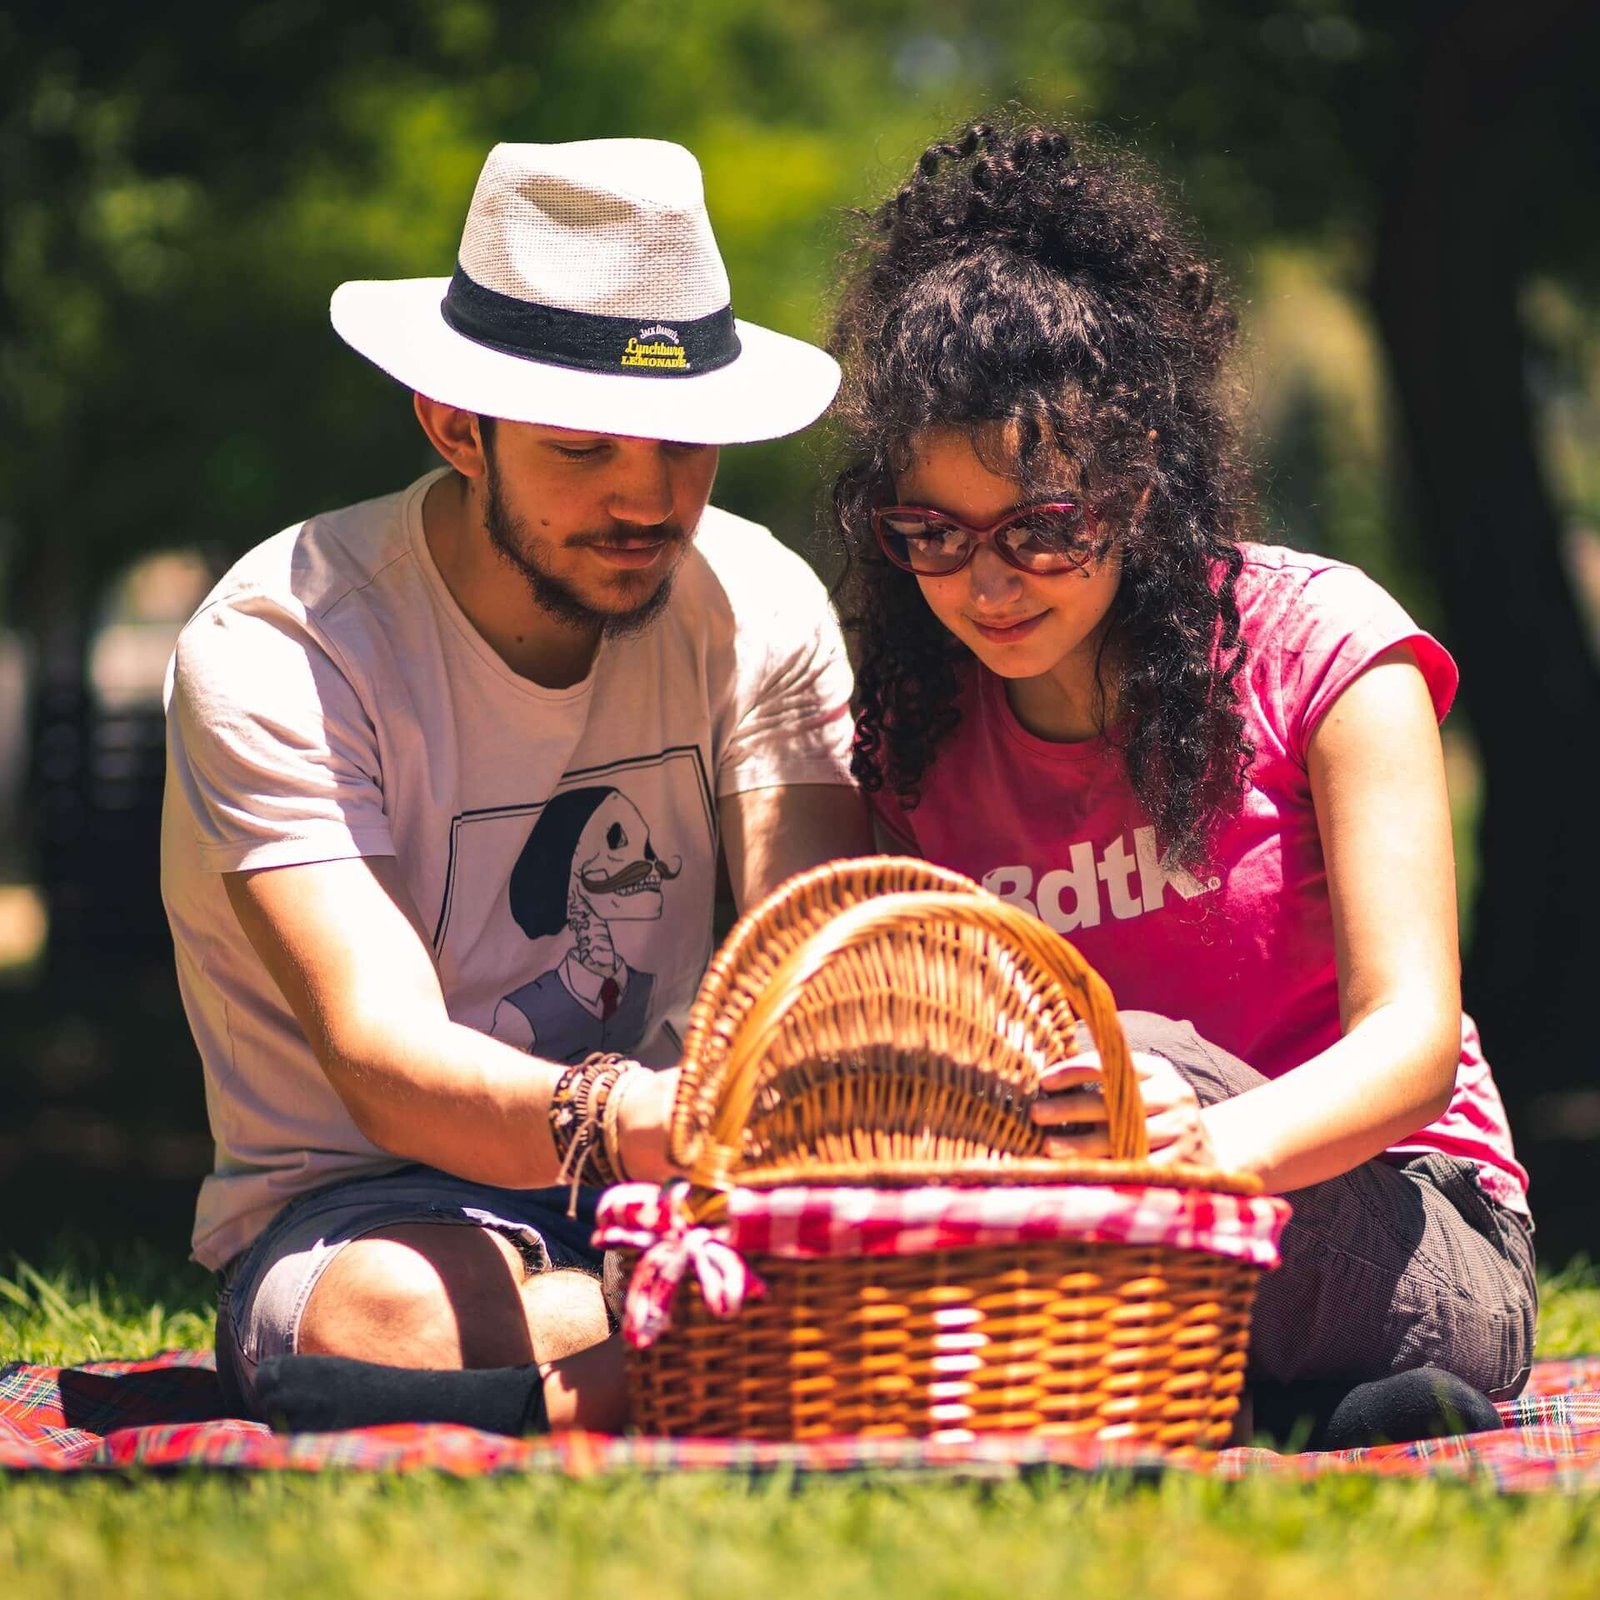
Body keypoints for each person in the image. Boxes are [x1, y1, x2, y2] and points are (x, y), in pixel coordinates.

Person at [829, 118, 1534, 1440]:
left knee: (1134, 1061)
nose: (984, 585)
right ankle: (1302, 1416)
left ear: (1137, 486)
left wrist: (1197, 1148)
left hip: (1385, 1221)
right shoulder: (910, 734)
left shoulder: (1325, 648)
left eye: (1041, 529)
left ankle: (1294, 1392)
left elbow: (1412, 1050)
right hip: (1080, 1229)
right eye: (931, 534)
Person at [162, 137, 867, 1433]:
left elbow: (812, 965)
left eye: (684, 444)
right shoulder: (285, 643)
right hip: (371, 1198)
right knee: (398, 1308)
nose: (648, 498)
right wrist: (666, 1126)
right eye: (585, 447)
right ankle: (700, 1348)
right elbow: (382, 1059)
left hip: (670, 1192)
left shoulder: (757, 597)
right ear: (454, 426)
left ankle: (626, 1364)